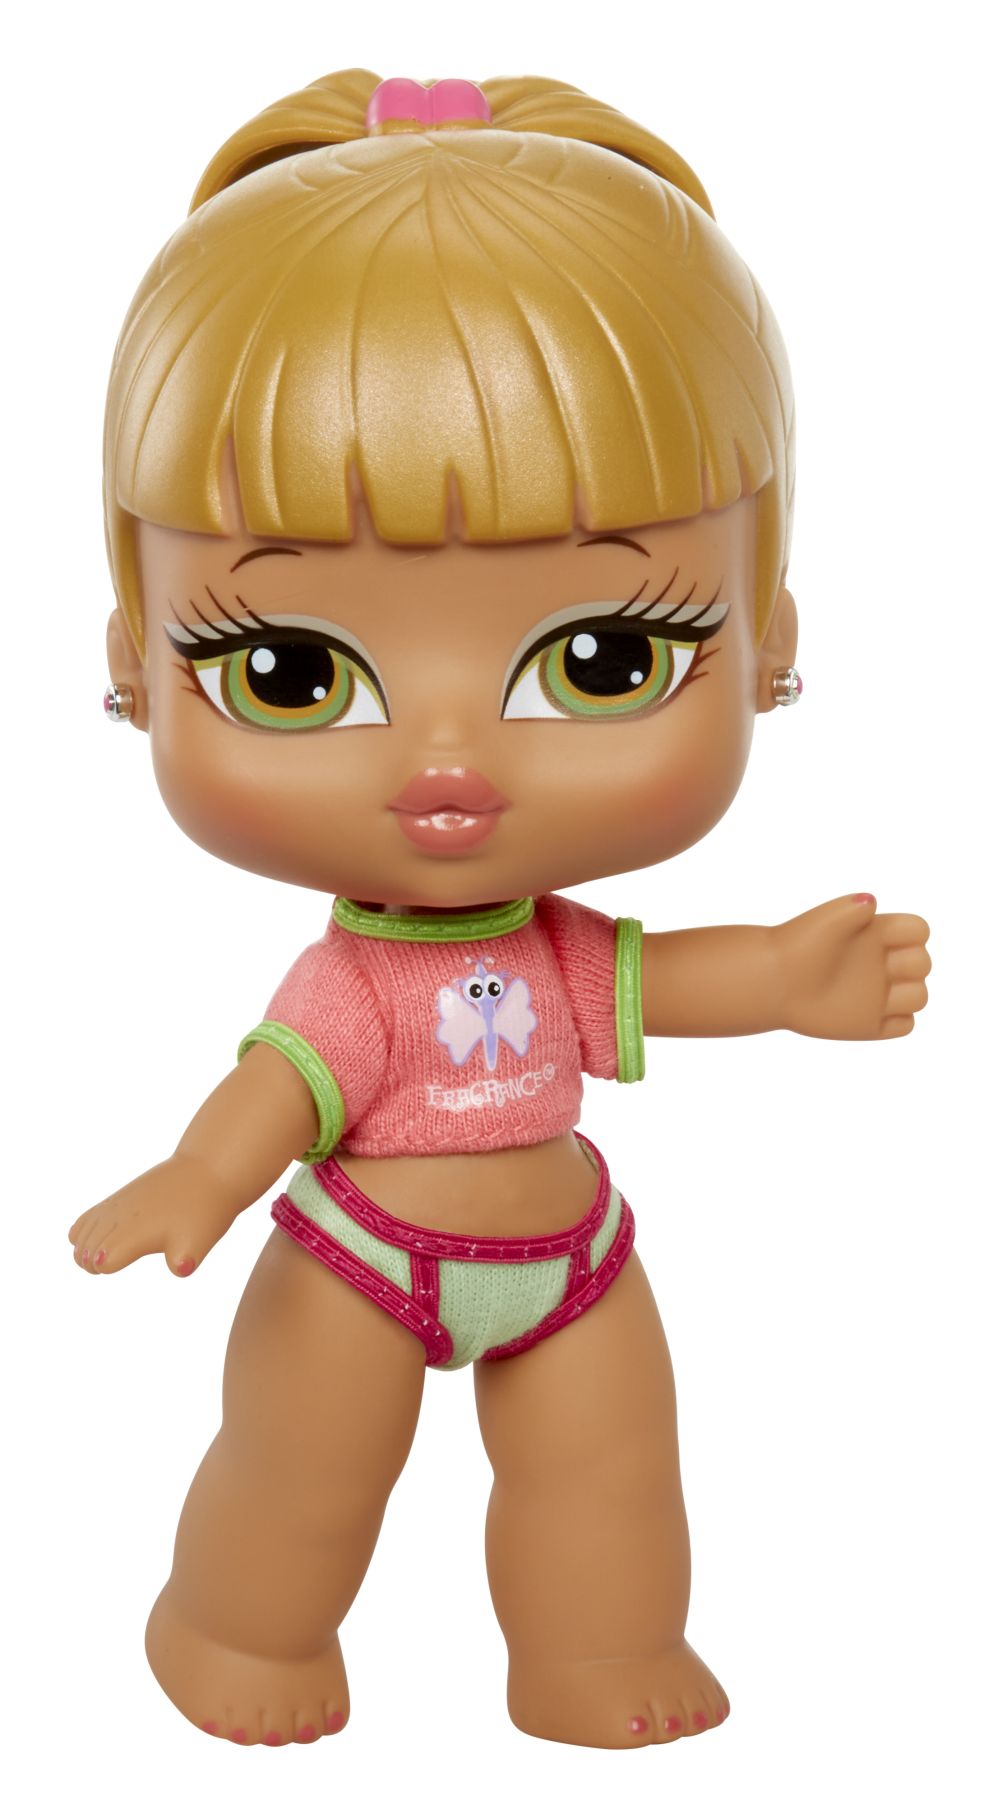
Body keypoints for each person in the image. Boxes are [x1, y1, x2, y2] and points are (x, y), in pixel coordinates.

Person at [72, 69, 931, 1749]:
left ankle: (598, 1652)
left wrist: (783, 978)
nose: (448, 761)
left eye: (603, 658)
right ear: (135, 666)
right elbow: (284, 1083)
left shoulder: (545, 951)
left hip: (571, 1256)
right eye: (291, 669)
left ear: (768, 636)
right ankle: (228, 1621)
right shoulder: (356, 984)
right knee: (302, 1471)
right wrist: (201, 1175)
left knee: (611, 1463)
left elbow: (646, 981)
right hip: (359, 1261)